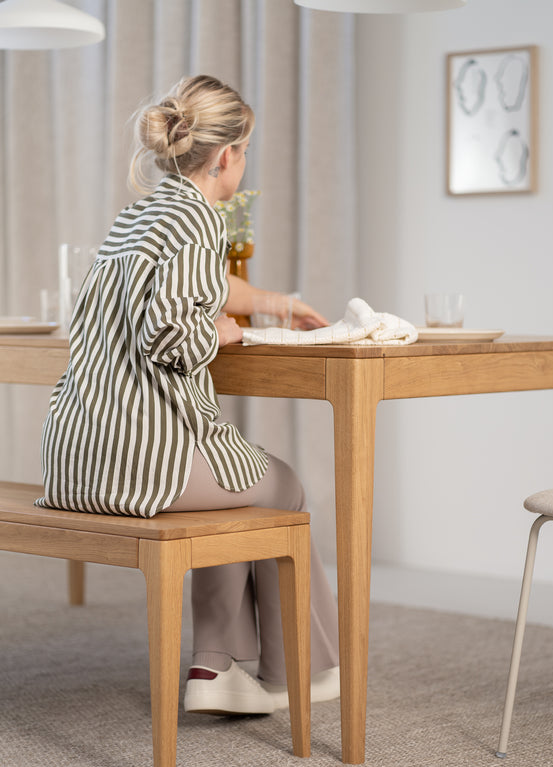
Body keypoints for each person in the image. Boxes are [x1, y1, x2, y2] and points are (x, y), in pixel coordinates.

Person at [37, 74, 339, 715]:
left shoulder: (142, 216)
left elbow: (202, 284)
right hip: (139, 461)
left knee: (233, 486)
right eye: (247, 149)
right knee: (281, 487)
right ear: (226, 155)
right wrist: (222, 331)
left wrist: (278, 306)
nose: (244, 161)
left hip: (73, 455)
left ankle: (219, 665)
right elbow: (173, 331)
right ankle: (301, 674)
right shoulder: (201, 218)